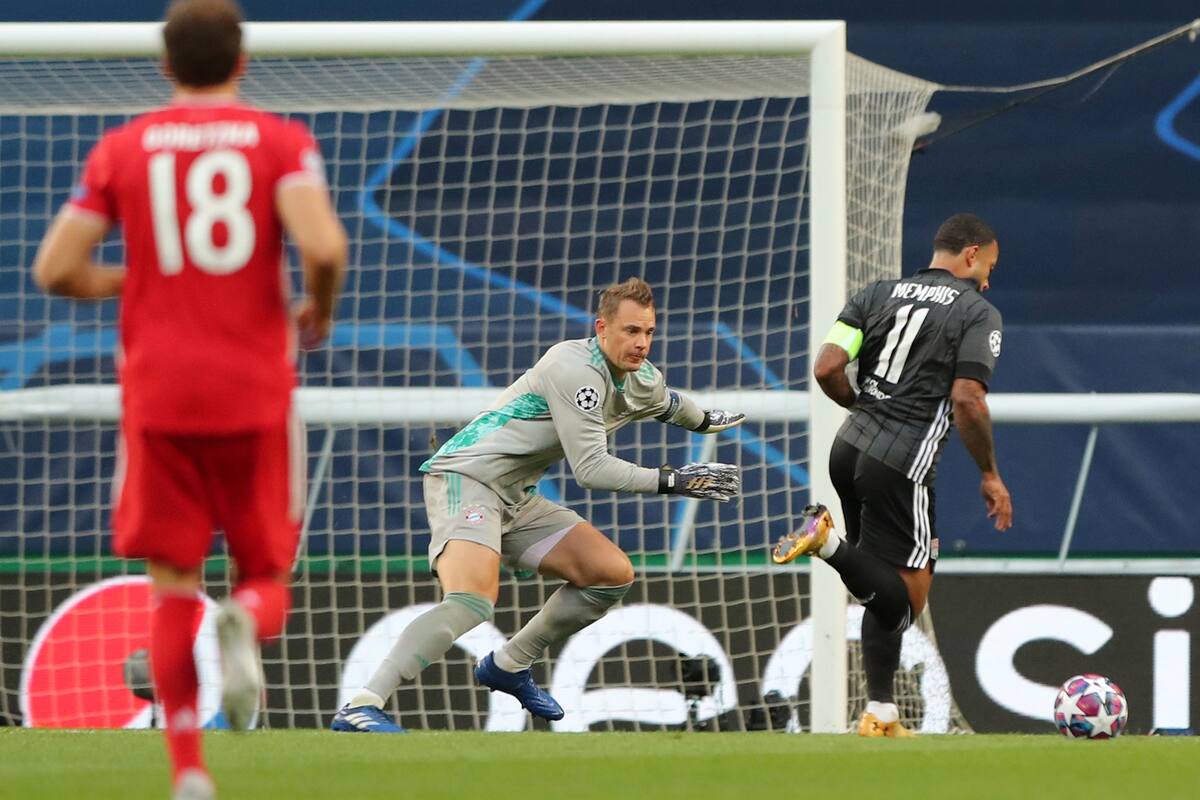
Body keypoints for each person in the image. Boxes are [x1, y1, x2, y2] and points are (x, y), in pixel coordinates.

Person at [32, 1, 347, 796]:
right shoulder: (279, 142)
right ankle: (242, 610)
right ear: (242, 62)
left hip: (159, 393)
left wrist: (134, 279)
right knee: (267, 569)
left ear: (164, 67)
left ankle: (188, 773)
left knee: (173, 579)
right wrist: (316, 311)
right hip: (252, 388)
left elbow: (55, 270)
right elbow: (324, 245)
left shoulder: (123, 149)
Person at [332, 277, 743, 732]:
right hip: (467, 479)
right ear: (601, 328)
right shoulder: (574, 369)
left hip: (515, 495)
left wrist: (706, 422)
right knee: (471, 600)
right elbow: (591, 469)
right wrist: (672, 480)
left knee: (610, 574)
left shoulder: (640, 376)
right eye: (631, 331)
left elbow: (670, 403)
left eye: (649, 332)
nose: (642, 343)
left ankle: (508, 664)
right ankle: (362, 703)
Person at [773, 212, 1013, 736]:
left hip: (849, 447)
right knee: (904, 604)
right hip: (902, 462)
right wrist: (990, 474)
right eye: (989, 266)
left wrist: (863, 408)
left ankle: (880, 711)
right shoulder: (978, 312)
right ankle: (825, 543)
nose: (989, 279)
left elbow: (826, 366)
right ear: (971, 255)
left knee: (879, 587)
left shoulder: (875, 294)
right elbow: (968, 399)